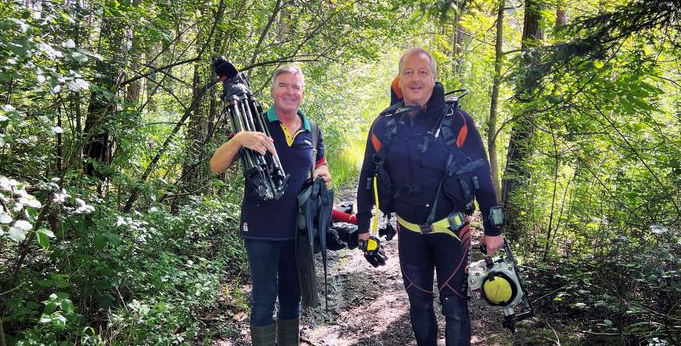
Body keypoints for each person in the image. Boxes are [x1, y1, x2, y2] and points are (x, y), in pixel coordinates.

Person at [356, 47, 504, 346]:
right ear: (399, 78)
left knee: (455, 305)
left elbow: (482, 177)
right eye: (408, 72)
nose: (415, 79)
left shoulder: (458, 122)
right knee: (419, 305)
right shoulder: (383, 125)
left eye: (422, 72)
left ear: (434, 78)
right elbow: (367, 178)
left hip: (453, 230)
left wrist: (493, 229)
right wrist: (362, 227)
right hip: (409, 233)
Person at [210, 65, 331, 346]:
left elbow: (320, 165)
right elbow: (215, 166)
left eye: (296, 87)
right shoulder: (254, 124)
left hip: (298, 230)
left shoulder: (311, 129)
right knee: (264, 298)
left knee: (292, 297)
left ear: (302, 93)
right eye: (284, 85)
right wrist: (239, 140)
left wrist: (324, 174)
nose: (290, 91)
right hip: (261, 228)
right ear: (274, 90)